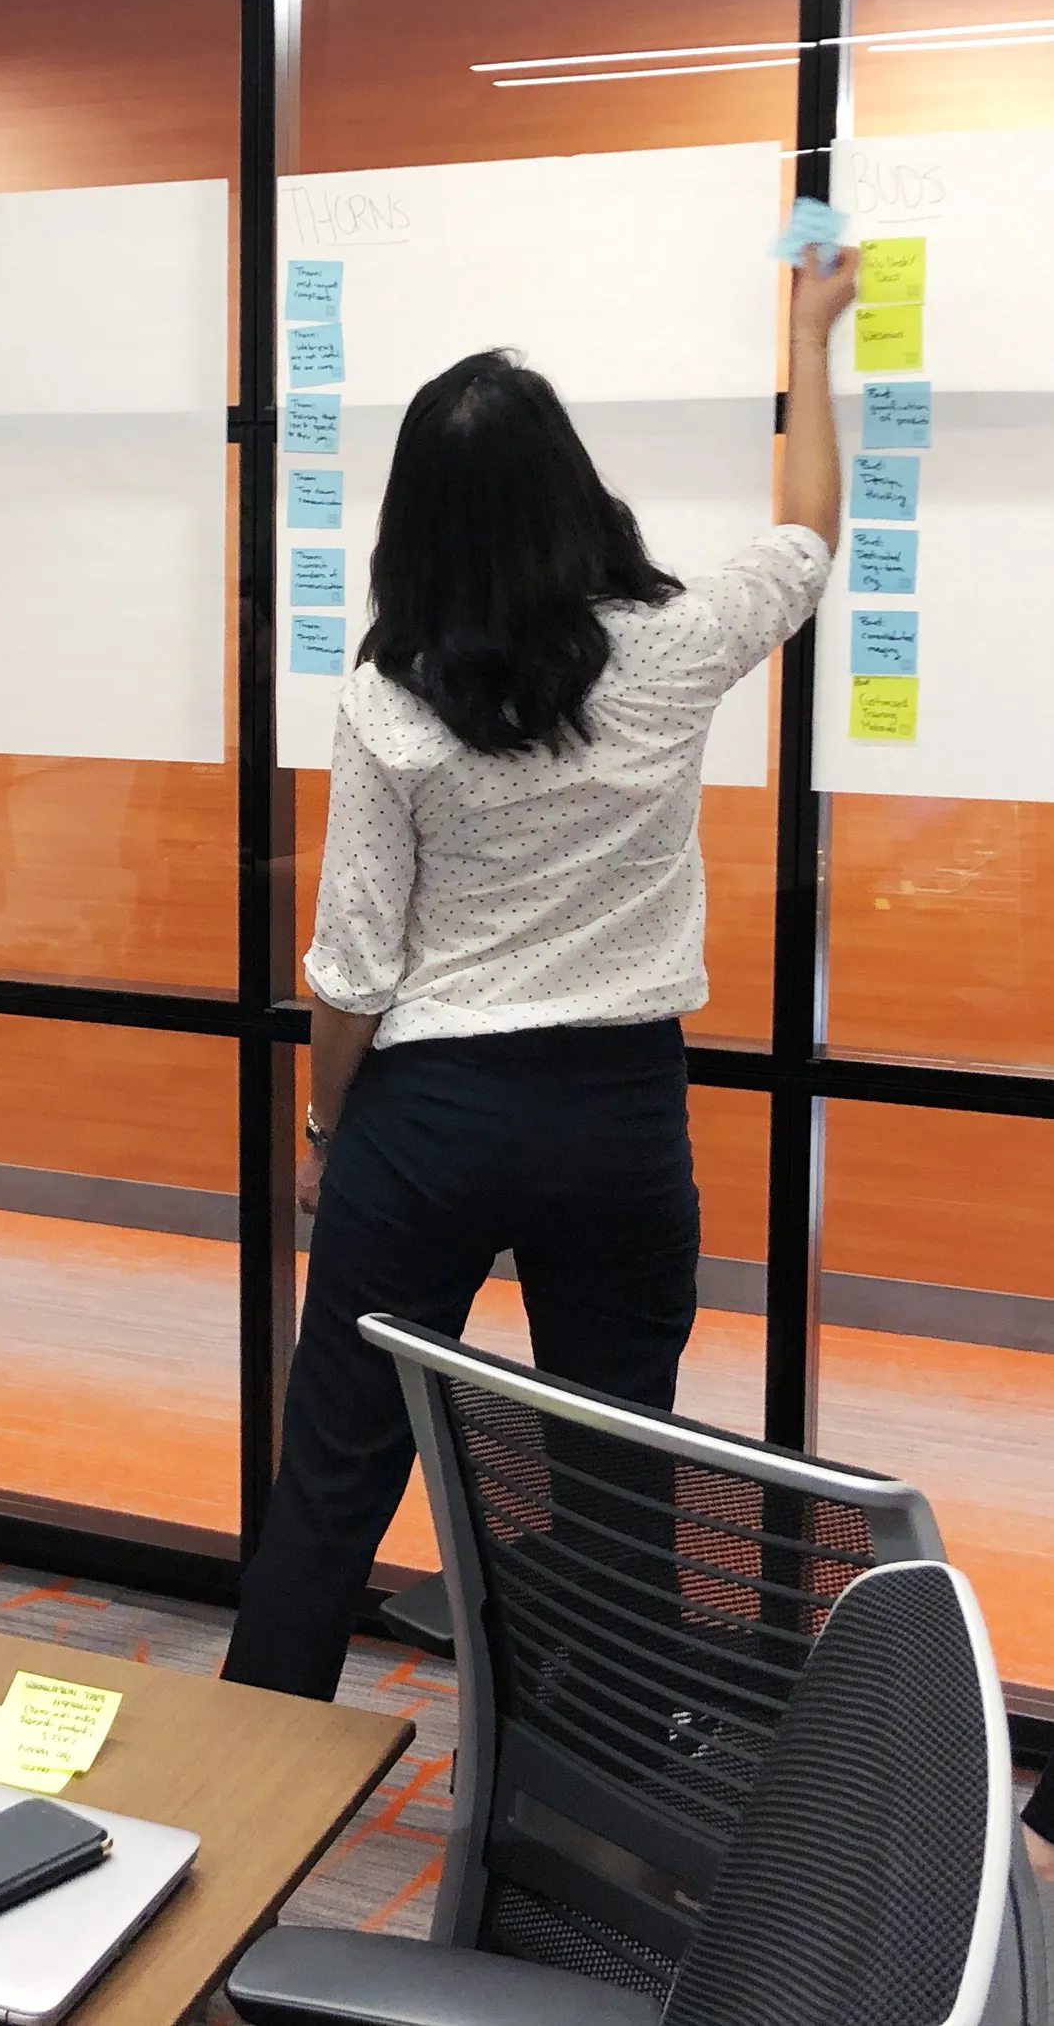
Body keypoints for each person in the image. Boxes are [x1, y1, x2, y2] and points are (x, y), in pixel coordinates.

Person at [222, 247, 855, 1702]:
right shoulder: (677, 643)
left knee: (335, 1471)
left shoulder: (390, 696)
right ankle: (596, 1801)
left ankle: (243, 1787)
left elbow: (354, 965)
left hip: (430, 1113)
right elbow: (812, 533)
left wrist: (329, 1129)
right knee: (617, 1484)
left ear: (416, 529)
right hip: (618, 1116)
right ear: (579, 495)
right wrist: (809, 340)